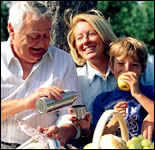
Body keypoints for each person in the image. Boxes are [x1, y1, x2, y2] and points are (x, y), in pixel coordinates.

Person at [64, 9, 154, 143]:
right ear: (75, 46)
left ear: (104, 36)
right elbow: (91, 133)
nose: (86, 41)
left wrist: (151, 116)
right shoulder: (76, 79)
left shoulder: (139, 64)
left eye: (91, 34)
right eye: (79, 38)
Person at [1, 2, 82, 149]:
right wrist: (26, 102)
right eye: (34, 36)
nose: (42, 43)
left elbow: (72, 114)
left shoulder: (63, 61)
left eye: (47, 35)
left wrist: (63, 132)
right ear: (12, 30)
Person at [92, 37, 154, 139]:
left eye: (134, 65)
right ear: (111, 67)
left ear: (142, 69)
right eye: (121, 64)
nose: (127, 69)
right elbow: (98, 138)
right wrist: (115, 119)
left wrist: (137, 94)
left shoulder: (150, 91)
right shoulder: (102, 100)